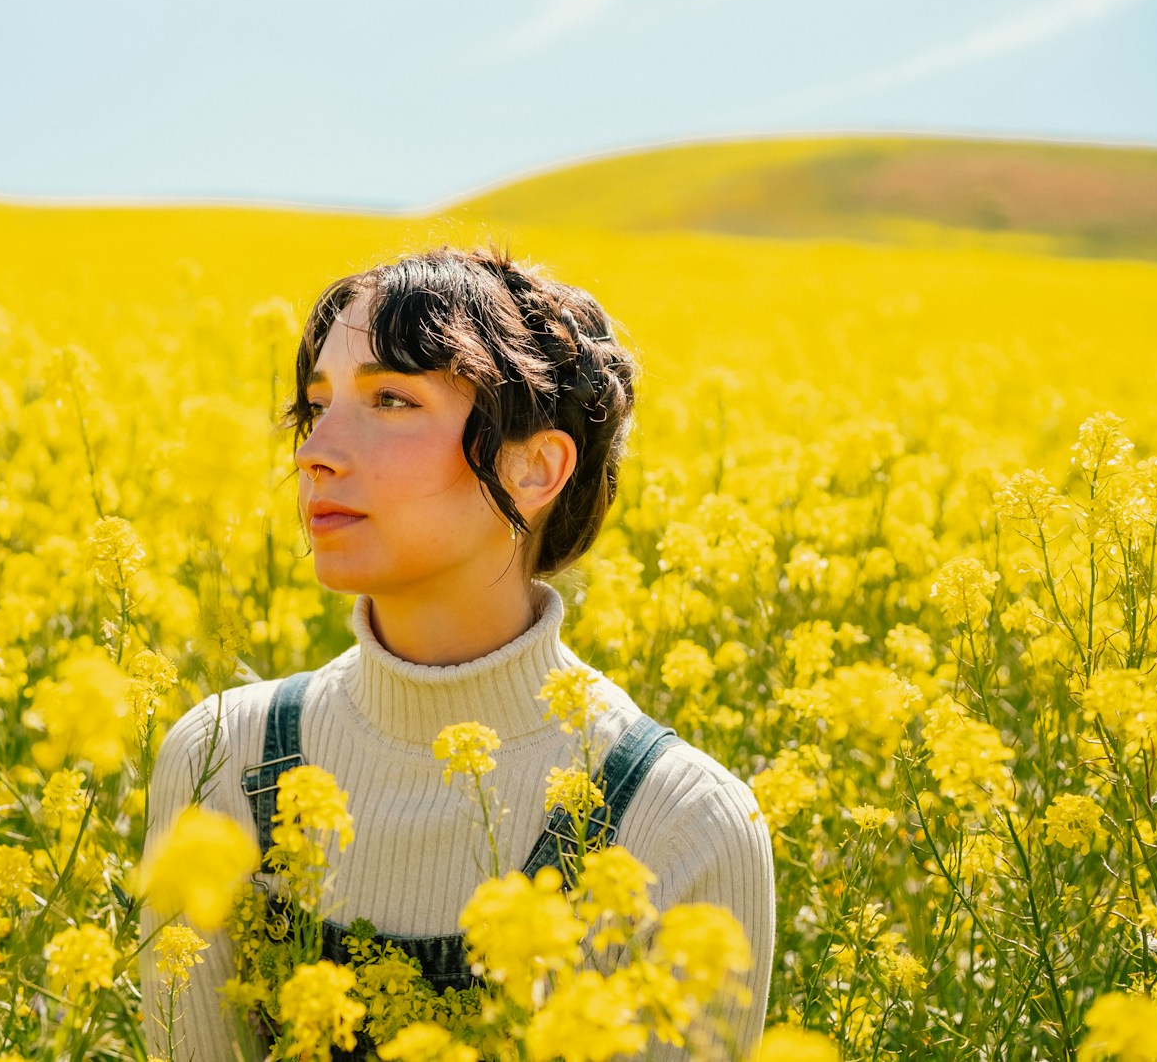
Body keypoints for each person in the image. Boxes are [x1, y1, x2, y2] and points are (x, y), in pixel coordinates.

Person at [140, 243, 775, 1060]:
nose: (313, 452)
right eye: (314, 406)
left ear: (535, 467)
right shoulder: (221, 762)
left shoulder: (682, 826)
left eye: (391, 399)